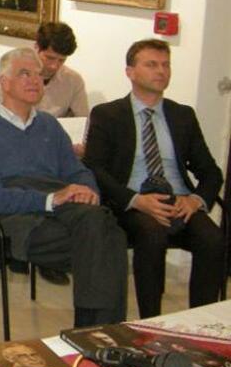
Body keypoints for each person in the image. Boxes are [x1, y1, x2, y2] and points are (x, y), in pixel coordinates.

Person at [0, 47, 128, 327]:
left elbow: (78, 171)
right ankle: (98, 334)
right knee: (109, 240)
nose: (35, 81)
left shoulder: (49, 126)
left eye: (39, 75)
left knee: (98, 232)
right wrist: (51, 199)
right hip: (14, 221)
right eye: (24, 74)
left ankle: (93, 334)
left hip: (66, 212)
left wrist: (88, 191)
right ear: (4, 83)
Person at [83, 39, 223, 319]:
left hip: (179, 200)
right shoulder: (108, 114)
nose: (161, 71)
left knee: (213, 239)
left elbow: (210, 170)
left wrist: (195, 200)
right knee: (152, 234)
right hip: (131, 202)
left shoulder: (182, 115)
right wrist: (136, 200)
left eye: (165, 65)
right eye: (151, 64)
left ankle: (202, 319)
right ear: (130, 72)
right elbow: (94, 168)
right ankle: (152, 320)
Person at [34, 22, 89, 118]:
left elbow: (82, 120)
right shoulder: (13, 74)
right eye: (49, 58)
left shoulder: (73, 80)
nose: (54, 66)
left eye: (61, 60)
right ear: (36, 47)